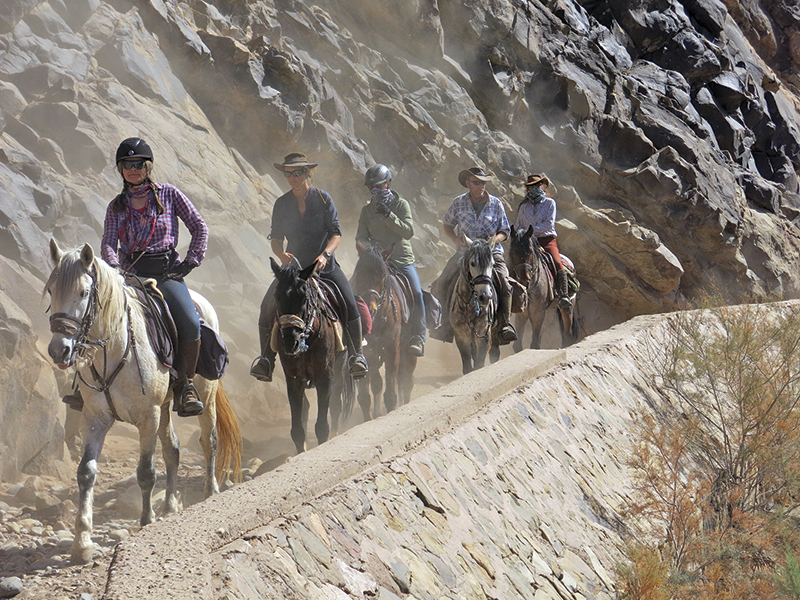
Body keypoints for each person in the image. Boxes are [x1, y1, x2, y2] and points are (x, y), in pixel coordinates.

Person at [100, 137, 208, 417]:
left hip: (166, 272)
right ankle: (84, 386)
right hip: (130, 275)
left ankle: (185, 386)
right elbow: (109, 242)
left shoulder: (170, 194)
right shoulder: (116, 206)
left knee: (190, 322)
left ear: (147, 166)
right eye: (127, 165)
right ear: (120, 169)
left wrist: (189, 263)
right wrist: (114, 268)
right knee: (96, 315)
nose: (133, 169)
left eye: (138, 164)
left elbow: (199, 226)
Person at [250, 153, 369, 382]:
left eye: (296, 173)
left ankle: (357, 356)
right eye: (287, 173)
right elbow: (276, 239)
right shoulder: (281, 203)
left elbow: (336, 234)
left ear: (307, 173)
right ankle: (266, 359)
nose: (291, 177)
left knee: (349, 302)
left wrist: (325, 255)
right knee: (267, 306)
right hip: (294, 269)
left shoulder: (324, 199)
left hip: (324, 265)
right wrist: (281, 254)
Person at [430, 166, 517, 344]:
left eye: (483, 183)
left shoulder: (496, 203)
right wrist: (455, 239)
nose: (481, 186)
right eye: (477, 182)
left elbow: (505, 230)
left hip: (491, 253)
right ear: (468, 184)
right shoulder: (458, 203)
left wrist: (495, 239)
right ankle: (446, 325)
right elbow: (447, 225)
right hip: (466, 253)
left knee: (505, 284)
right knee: (442, 282)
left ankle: (504, 324)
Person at [355, 164, 426, 357]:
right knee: (354, 289)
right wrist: (371, 252)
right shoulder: (367, 210)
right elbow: (360, 236)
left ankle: (418, 337)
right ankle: (354, 335)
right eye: (371, 187)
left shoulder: (401, 204)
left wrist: (388, 215)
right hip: (377, 262)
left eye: (379, 186)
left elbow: (408, 232)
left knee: (418, 293)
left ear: (388, 183)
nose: (375, 190)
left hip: (401, 259)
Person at [515, 174, 572, 308]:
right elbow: (518, 224)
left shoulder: (549, 203)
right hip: (526, 241)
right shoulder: (524, 206)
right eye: (531, 186)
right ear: (528, 189)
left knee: (556, 261)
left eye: (537, 185)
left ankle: (563, 295)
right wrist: (519, 233)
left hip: (546, 240)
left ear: (542, 186)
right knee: (514, 260)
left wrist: (530, 231)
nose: (534, 188)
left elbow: (549, 223)